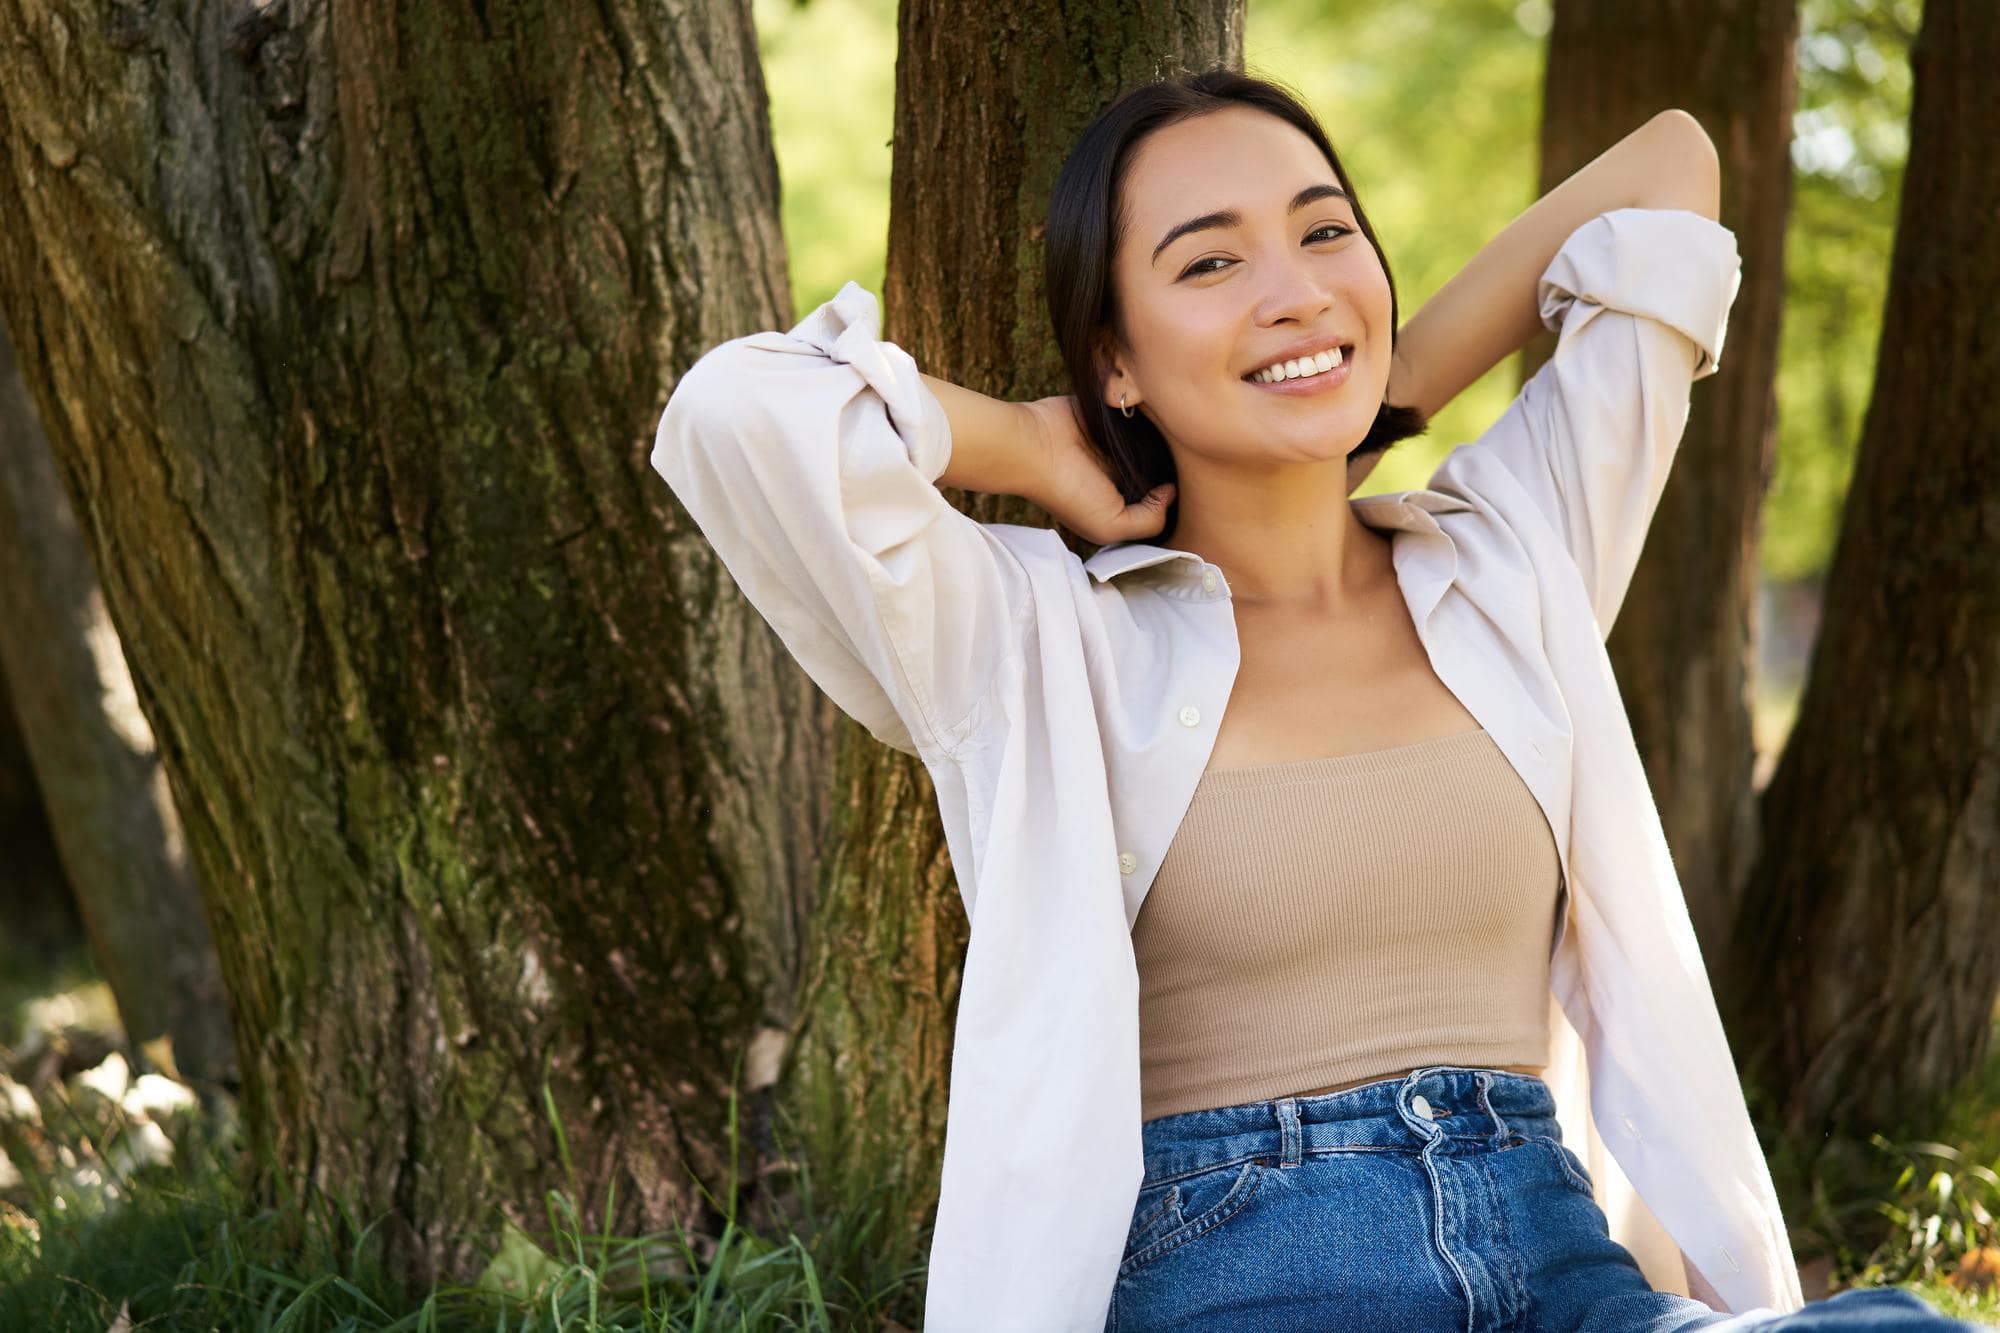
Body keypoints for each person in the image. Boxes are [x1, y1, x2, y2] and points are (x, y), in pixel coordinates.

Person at [651, 67, 1977, 1333]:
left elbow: (1672, 167)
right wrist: (1028, 446)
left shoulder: (1513, 556)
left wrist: (1370, 376)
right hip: (1241, 1275)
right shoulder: (1035, 638)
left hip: (1562, 1272)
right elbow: (731, 416)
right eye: (1212, 261)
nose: (1289, 285)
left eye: (1325, 233)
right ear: (1116, 358)